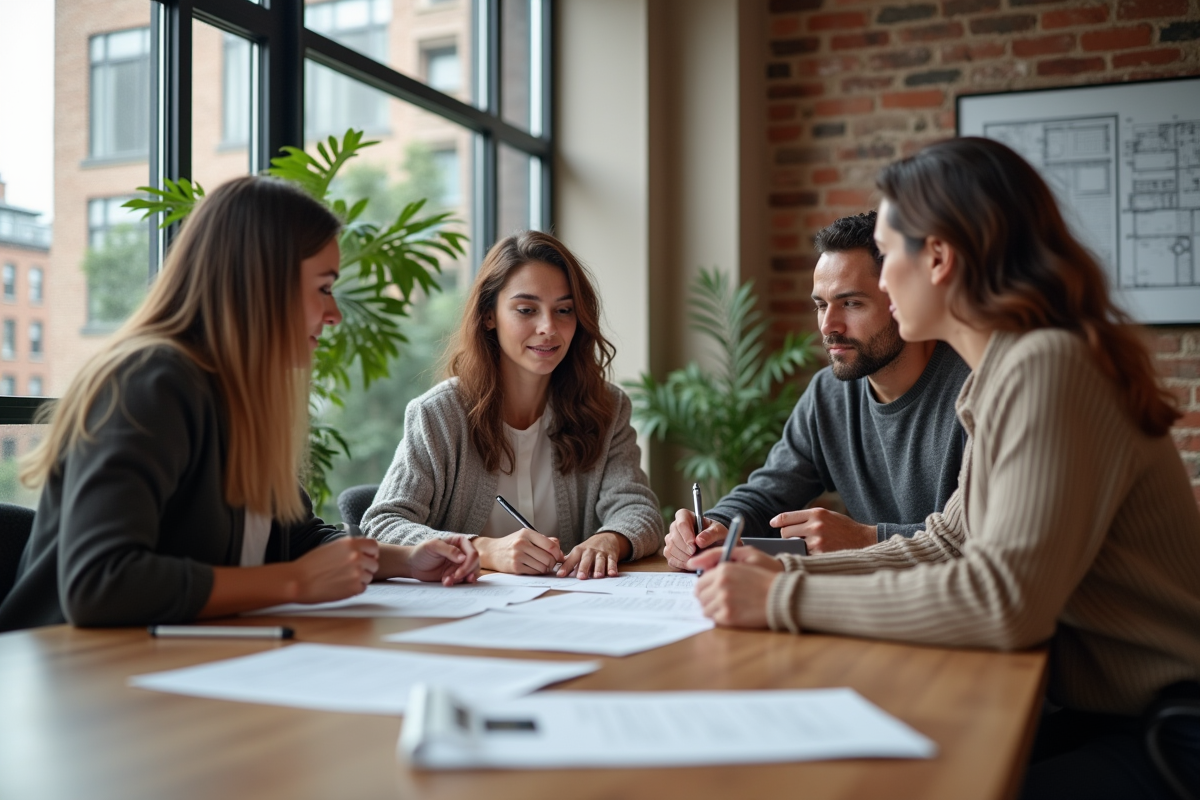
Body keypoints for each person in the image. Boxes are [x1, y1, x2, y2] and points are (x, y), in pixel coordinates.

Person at [690, 137, 1200, 799]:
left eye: (887, 248)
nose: (880, 279)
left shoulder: (1045, 366)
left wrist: (784, 597)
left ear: (937, 258)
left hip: (1169, 732)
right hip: (1102, 714)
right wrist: (785, 568)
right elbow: (949, 542)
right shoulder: (1007, 370)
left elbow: (1002, 600)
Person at [0, 177, 478, 633]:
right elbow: (98, 581)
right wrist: (296, 583)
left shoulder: (241, 396)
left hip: (177, 663)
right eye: (323, 287)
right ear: (261, 281)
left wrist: (406, 559)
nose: (333, 315)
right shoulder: (149, 381)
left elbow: (298, 538)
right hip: (72, 675)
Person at [664, 211, 970, 568]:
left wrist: (865, 539)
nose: (828, 326)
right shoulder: (828, 395)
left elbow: (984, 535)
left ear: (900, 298)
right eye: (821, 305)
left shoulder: (976, 390)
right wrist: (714, 526)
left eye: (851, 303)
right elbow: (768, 492)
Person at [362, 231, 663, 579]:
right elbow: (381, 525)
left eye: (564, 310)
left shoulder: (606, 408)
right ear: (489, 316)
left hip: (569, 612)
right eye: (526, 310)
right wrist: (485, 549)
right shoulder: (439, 414)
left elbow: (639, 509)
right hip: (465, 615)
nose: (548, 327)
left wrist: (610, 539)